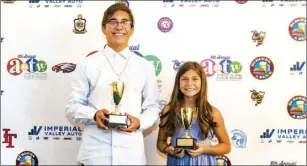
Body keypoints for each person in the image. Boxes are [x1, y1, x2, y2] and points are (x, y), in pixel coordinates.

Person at [66, 2, 161, 165]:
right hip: (94, 156)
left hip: (131, 156)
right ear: (104, 28)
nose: (119, 26)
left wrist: (140, 122)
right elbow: (72, 107)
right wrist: (94, 115)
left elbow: (153, 107)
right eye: (113, 22)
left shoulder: (144, 66)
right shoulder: (88, 64)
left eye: (125, 22)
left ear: (132, 29)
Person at [156, 61, 231, 165]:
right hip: (177, 162)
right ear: (178, 82)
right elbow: (160, 142)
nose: (189, 83)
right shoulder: (169, 110)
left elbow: (226, 146)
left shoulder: (212, 112)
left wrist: (204, 149)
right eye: (184, 79)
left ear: (202, 82)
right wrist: (167, 149)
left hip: (203, 162)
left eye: (195, 79)